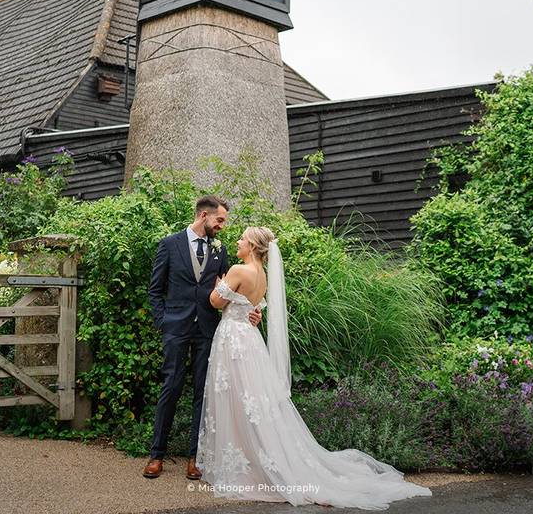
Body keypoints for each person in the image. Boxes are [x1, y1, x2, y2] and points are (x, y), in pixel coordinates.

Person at [196, 226, 432, 509]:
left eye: (242, 239)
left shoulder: (238, 270)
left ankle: (242, 464)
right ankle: (252, 457)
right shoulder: (263, 275)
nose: (238, 241)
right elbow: (252, 305)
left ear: (253, 246)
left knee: (235, 399)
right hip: (250, 340)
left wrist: (217, 283)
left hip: (233, 339)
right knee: (254, 402)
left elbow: (214, 301)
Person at [142, 196, 262, 480]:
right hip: (176, 327)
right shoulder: (170, 244)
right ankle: (156, 455)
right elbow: (155, 289)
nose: (222, 226)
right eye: (219, 220)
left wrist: (253, 313)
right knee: (170, 387)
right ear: (204, 215)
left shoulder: (220, 251)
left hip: (208, 330)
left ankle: (194, 459)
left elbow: (232, 292)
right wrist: (164, 323)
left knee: (202, 393)